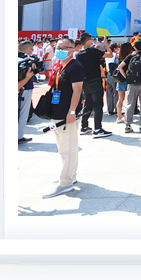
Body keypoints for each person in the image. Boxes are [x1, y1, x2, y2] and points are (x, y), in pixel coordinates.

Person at [43, 38, 84, 198]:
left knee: (67, 149)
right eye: (58, 47)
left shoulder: (75, 67)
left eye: (64, 47)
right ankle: (70, 176)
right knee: (64, 147)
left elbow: (77, 90)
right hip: (58, 112)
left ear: (72, 49)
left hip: (67, 115)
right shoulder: (61, 65)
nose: (59, 50)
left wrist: (71, 112)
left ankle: (65, 182)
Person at [75, 34, 114, 138]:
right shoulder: (93, 52)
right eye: (92, 39)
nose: (93, 41)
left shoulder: (78, 54)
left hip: (85, 82)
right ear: (88, 41)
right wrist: (106, 44)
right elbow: (110, 55)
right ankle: (97, 129)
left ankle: (84, 127)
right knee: (97, 105)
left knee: (88, 104)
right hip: (95, 81)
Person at [118, 39, 141, 134]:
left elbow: (120, 67)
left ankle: (127, 125)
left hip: (132, 83)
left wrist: (126, 77)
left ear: (134, 47)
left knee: (130, 103)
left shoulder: (131, 56)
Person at [17, 40, 39, 144]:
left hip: (21, 88)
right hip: (25, 88)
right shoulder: (27, 60)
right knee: (23, 113)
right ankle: (19, 136)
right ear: (29, 48)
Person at [105, 43, 120, 115]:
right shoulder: (116, 55)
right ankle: (117, 109)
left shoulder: (107, 56)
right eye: (117, 48)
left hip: (108, 74)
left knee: (109, 92)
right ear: (115, 48)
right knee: (116, 92)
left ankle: (110, 109)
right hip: (115, 75)